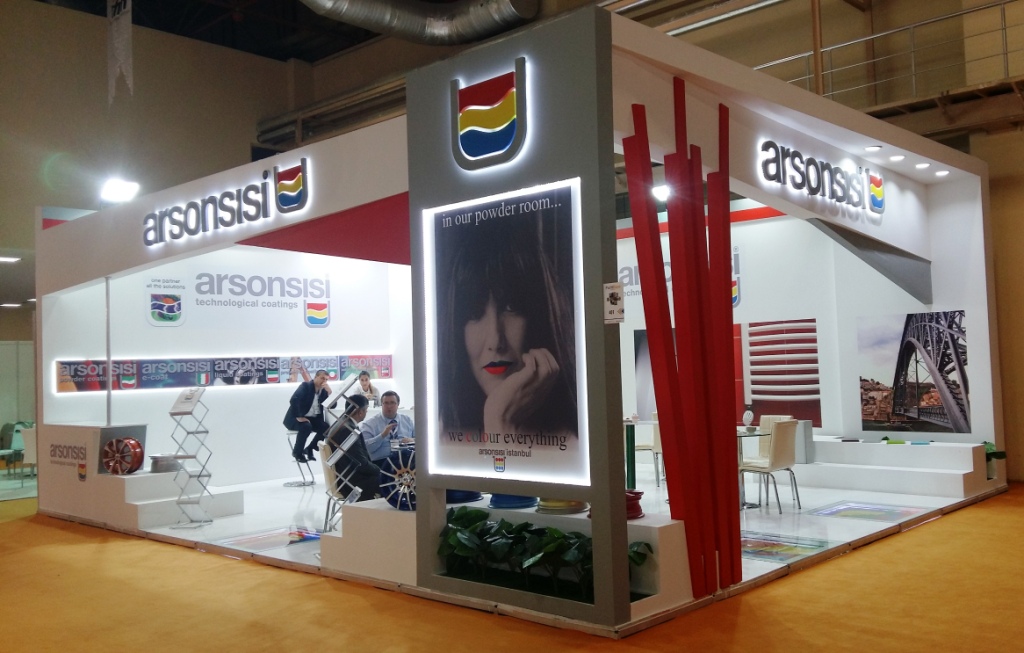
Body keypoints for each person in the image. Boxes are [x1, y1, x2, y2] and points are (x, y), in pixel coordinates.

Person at [435, 201, 578, 439]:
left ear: (539, 315)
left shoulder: (575, 443)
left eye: (512, 308)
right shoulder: (444, 433)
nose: (495, 341)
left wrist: (500, 419)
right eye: (474, 313)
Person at [324, 394, 379, 502]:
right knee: (390, 480)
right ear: (360, 412)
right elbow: (361, 464)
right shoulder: (348, 430)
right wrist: (381, 471)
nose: (366, 413)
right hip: (351, 482)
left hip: (344, 475)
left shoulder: (341, 422)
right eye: (366, 410)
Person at [282, 369, 332, 463]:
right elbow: (294, 399)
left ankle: (310, 448)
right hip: (295, 418)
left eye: (326, 379)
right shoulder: (305, 386)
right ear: (315, 377)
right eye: (322, 378)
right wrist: (298, 416)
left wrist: (330, 393)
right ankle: (297, 453)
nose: (324, 381)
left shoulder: (324, 391)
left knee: (325, 427)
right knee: (306, 426)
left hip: (311, 418)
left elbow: (332, 406)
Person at [359, 390, 415, 466]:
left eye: (392, 403)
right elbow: (365, 449)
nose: (389, 406)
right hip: (381, 463)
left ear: (398, 404)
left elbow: (420, 441)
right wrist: (382, 435)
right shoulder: (370, 424)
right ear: (381, 404)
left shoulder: (407, 420)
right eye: (386, 403)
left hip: (406, 462)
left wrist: (412, 440)